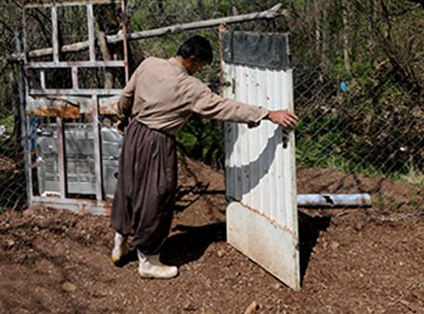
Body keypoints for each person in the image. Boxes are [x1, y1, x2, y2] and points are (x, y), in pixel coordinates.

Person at [109, 34, 299, 279]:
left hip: (134, 132)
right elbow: (224, 108)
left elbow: (126, 96)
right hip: (157, 141)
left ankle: (120, 242)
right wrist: (266, 113)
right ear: (191, 59)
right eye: (200, 66)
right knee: (157, 196)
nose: (199, 71)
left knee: (129, 186)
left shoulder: (148, 64)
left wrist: (123, 116)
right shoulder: (190, 87)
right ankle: (148, 259)